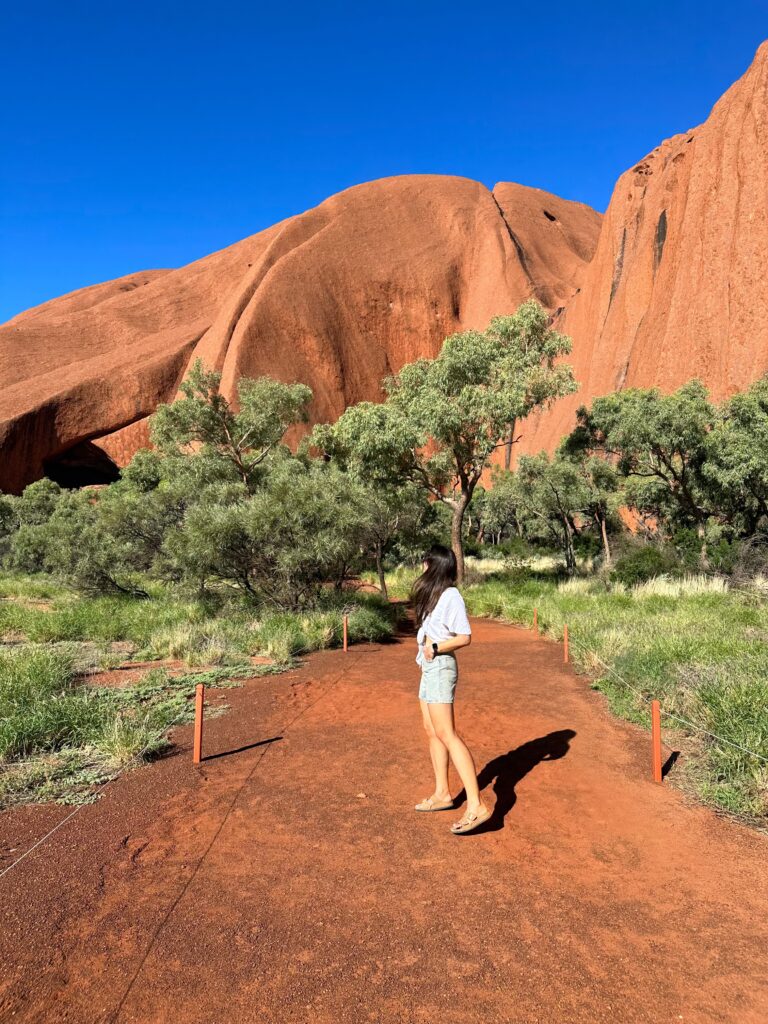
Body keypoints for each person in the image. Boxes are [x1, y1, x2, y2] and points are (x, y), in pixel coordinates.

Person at [411, 544, 490, 835]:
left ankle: (477, 806)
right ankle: (443, 793)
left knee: (447, 733)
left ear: (434, 565)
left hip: (442, 666)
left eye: (425, 561)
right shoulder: (436, 596)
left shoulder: (452, 595)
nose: (422, 566)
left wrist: (435, 646)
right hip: (429, 667)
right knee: (432, 731)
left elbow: (465, 637)